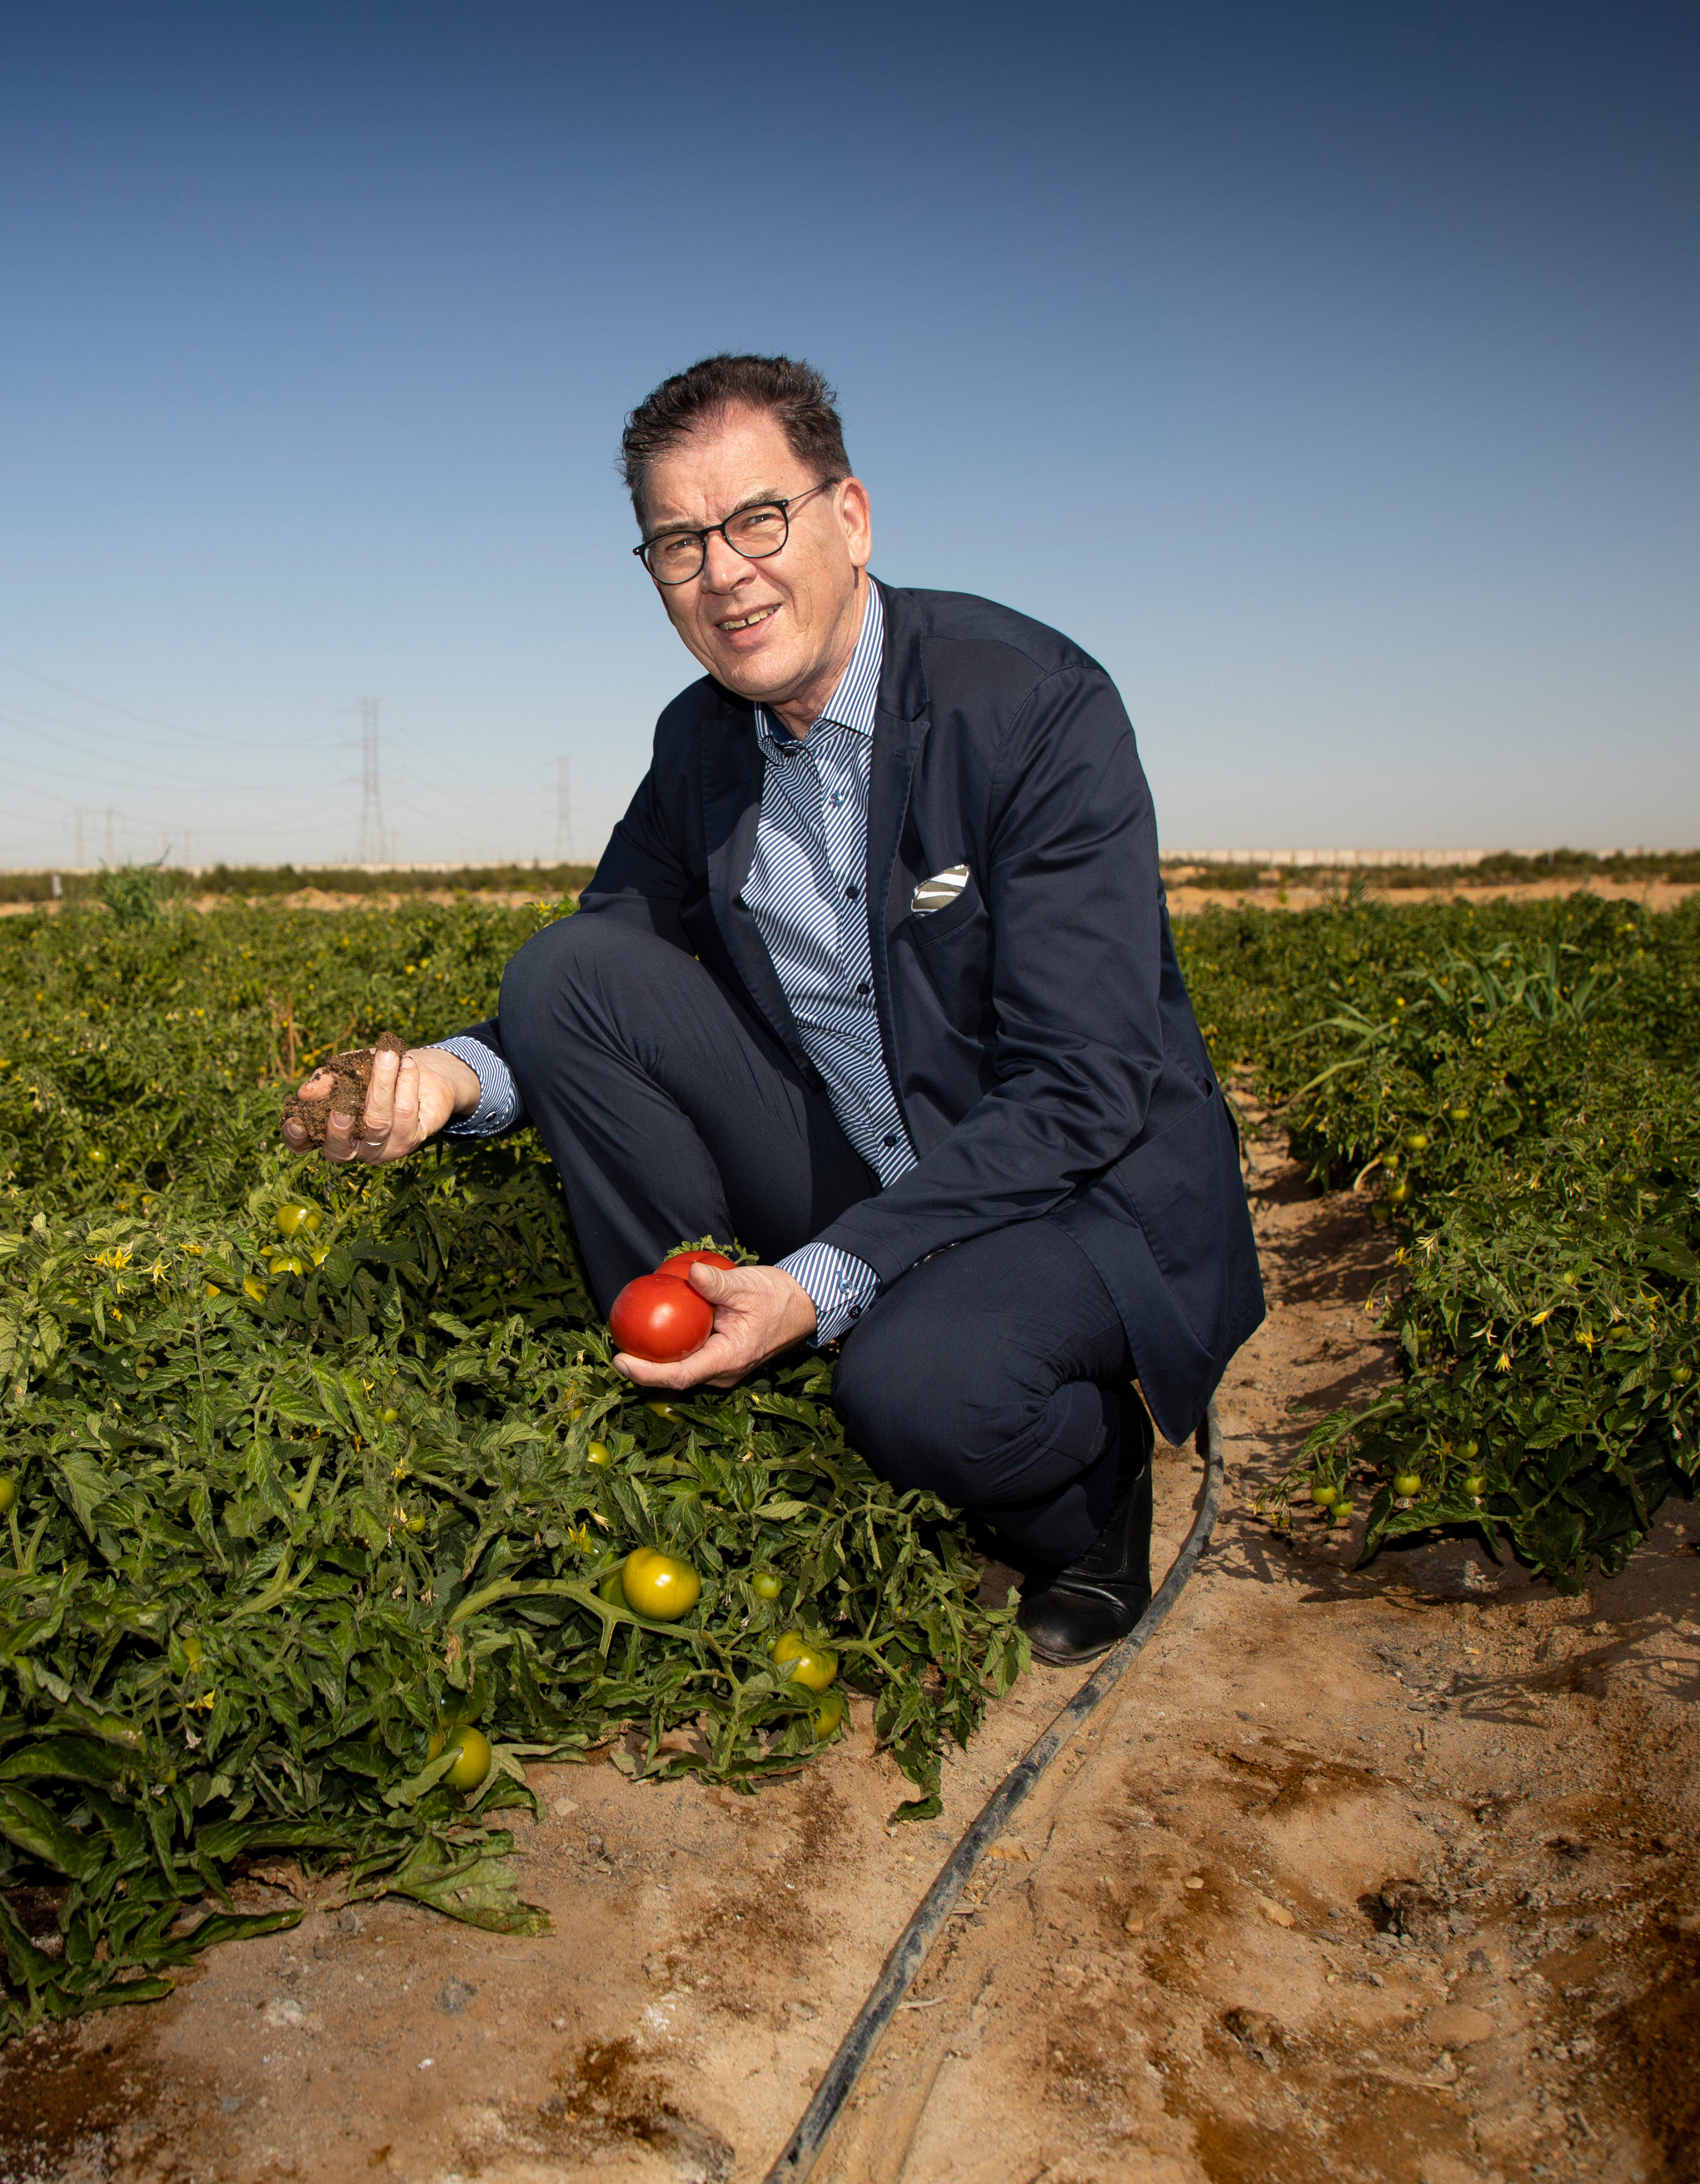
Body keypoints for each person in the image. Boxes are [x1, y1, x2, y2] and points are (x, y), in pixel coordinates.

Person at [278, 355, 1262, 1663]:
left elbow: (1084, 1085)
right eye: (679, 543)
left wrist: (823, 1276)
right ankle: (698, 1375)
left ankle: (1089, 1484)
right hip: (863, 1154)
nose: (725, 573)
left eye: (758, 519)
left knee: (919, 1391)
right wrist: (448, 1082)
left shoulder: (1030, 706)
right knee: (562, 967)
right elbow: (605, 967)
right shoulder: (700, 742)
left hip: (1067, 1188)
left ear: (849, 517)